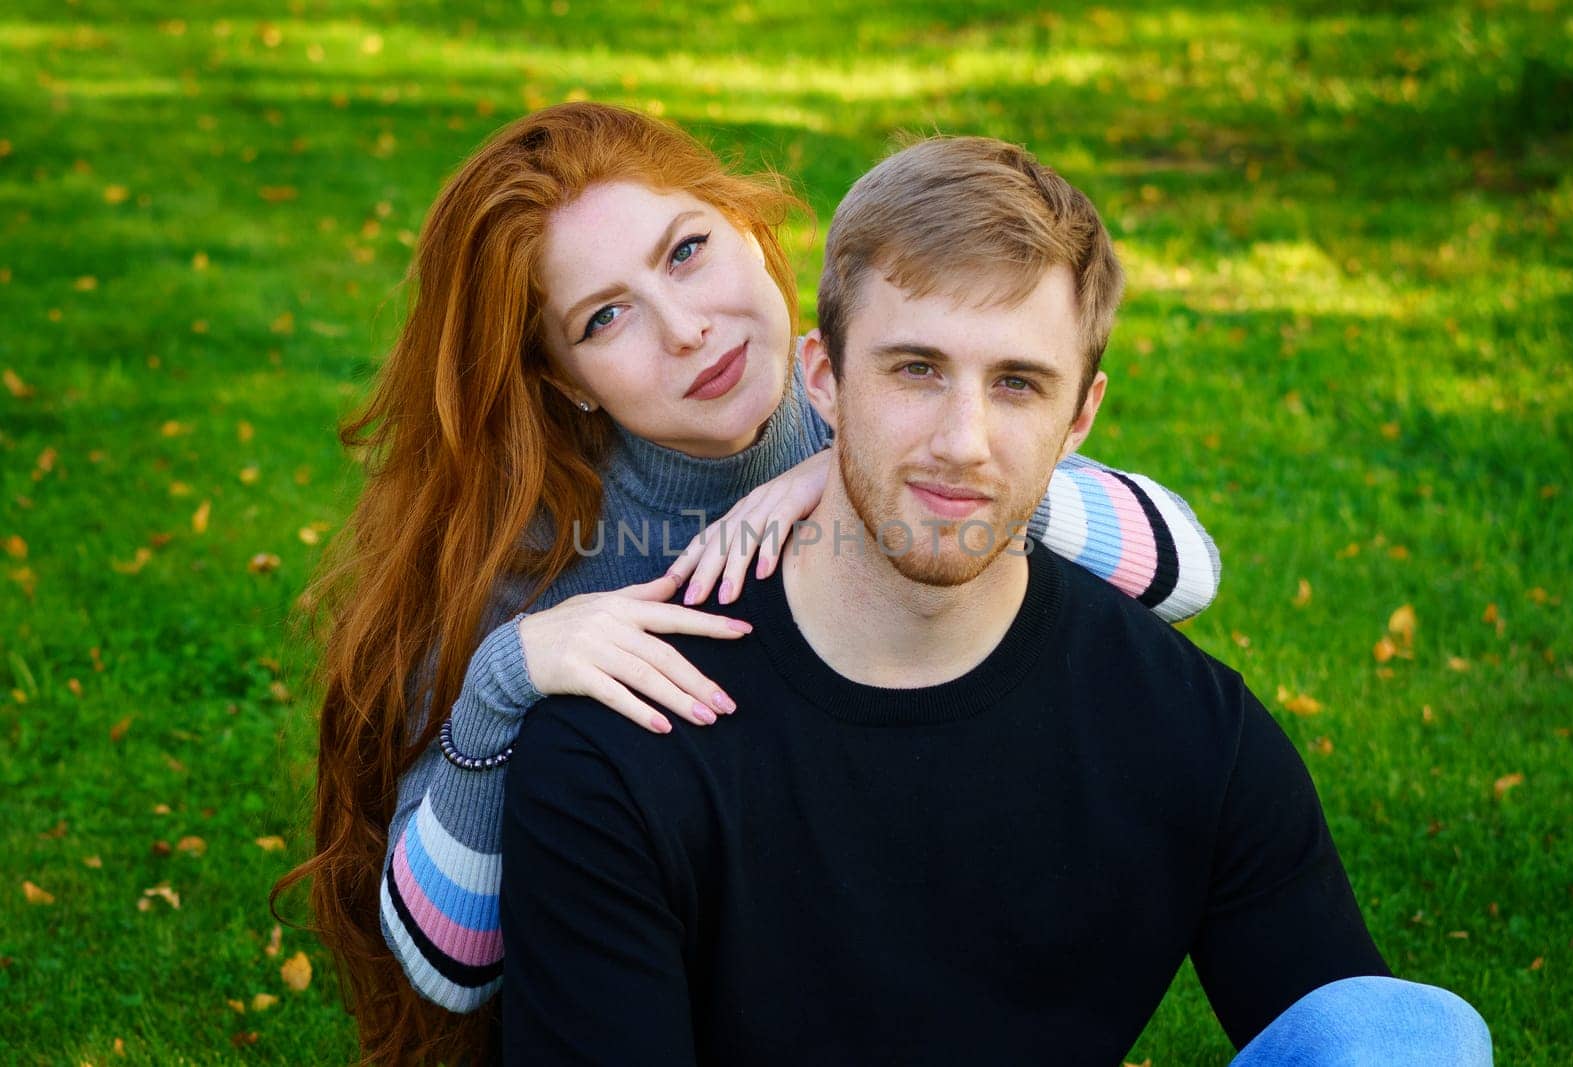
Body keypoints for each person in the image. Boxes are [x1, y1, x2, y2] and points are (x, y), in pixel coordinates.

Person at [498, 136, 1493, 1064]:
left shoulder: (1191, 728)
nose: (961, 442)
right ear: (824, 378)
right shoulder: (620, 742)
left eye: (1016, 383)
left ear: (1080, 416)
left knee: (1411, 1030)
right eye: (916, 369)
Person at [273, 104, 1223, 1063]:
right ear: (566, 379)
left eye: (686, 251)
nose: (686, 329)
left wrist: (857, 470)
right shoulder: (536, 558)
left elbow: (1183, 568)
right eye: (605, 317)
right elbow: (451, 964)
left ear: (749, 227)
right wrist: (501, 681)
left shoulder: (880, 397)